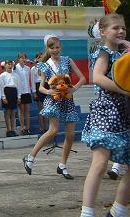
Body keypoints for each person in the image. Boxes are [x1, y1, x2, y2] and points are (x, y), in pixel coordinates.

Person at [80, 14, 130, 217]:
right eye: (116, 28)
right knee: (100, 163)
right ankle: (87, 213)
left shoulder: (124, 57)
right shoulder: (103, 51)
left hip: (126, 114)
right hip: (106, 113)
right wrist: (126, 90)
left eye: (124, 28)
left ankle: (118, 211)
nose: (121, 31)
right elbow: (97, 77)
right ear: (103, 32)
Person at [22, 35, 86, 179]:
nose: (55, 50)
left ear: (61, 47)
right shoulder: (45, 65)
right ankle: (30, 158)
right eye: (52, 48)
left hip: (68, 100)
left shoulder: (68, 60)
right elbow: (41, 88)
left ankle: (62, 165)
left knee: (70, 135)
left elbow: (82, 78)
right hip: (53, 101)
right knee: (53, 130)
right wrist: (50, 91)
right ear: (48, 49)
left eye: (57, 47)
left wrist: (73, 89)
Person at [0, 60, 20, 137]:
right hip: (7, 92)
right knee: (7, 112)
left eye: (11, 64)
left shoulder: (16, 75)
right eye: (8, 64)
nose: (10, 66)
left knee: (13, 113)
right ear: (5, 66)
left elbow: (18, 86)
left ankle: (13, 130)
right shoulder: (2, 75)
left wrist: (19, 96)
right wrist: (3, 97)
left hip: (14, 92)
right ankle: (8, 130)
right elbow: (1, 87)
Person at [15, 52, 32, 135]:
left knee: (27, 111)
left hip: (27, 91)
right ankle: (22, 127)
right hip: (20, 92)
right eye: (21, 57)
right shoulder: (16, 68)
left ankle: (28, 127)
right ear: (19, 59)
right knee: (21, 111)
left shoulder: (28, 68)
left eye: (24, 57)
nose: (23, 59)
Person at [31, 52, 47, 134]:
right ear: (36, 59)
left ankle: (47, 127)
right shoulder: (33, 69)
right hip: (38, 87)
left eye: (42, 57)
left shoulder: (47, 67)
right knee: (41, 109)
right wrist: (34, 92)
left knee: (47, 108)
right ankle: (42, 127)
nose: (41, 59)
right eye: (39, 57)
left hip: (46, 85)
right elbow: (33, 81)